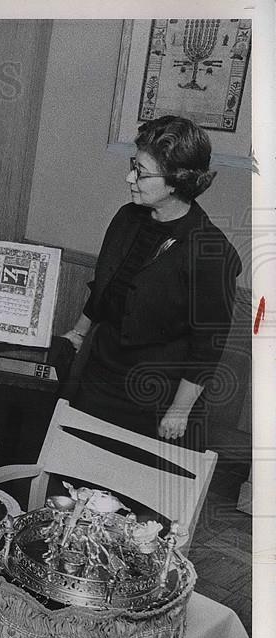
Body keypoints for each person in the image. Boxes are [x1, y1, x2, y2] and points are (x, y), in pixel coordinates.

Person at [63, 115, 242, 448]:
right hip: (100, 379)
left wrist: (179, 409)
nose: (130, 177)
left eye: (141, 173)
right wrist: (77, 333)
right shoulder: (126, 218)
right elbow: (104, 287)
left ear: (177, 181)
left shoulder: (211, 251)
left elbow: (207, 346)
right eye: (134, 165)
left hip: (158, 398)